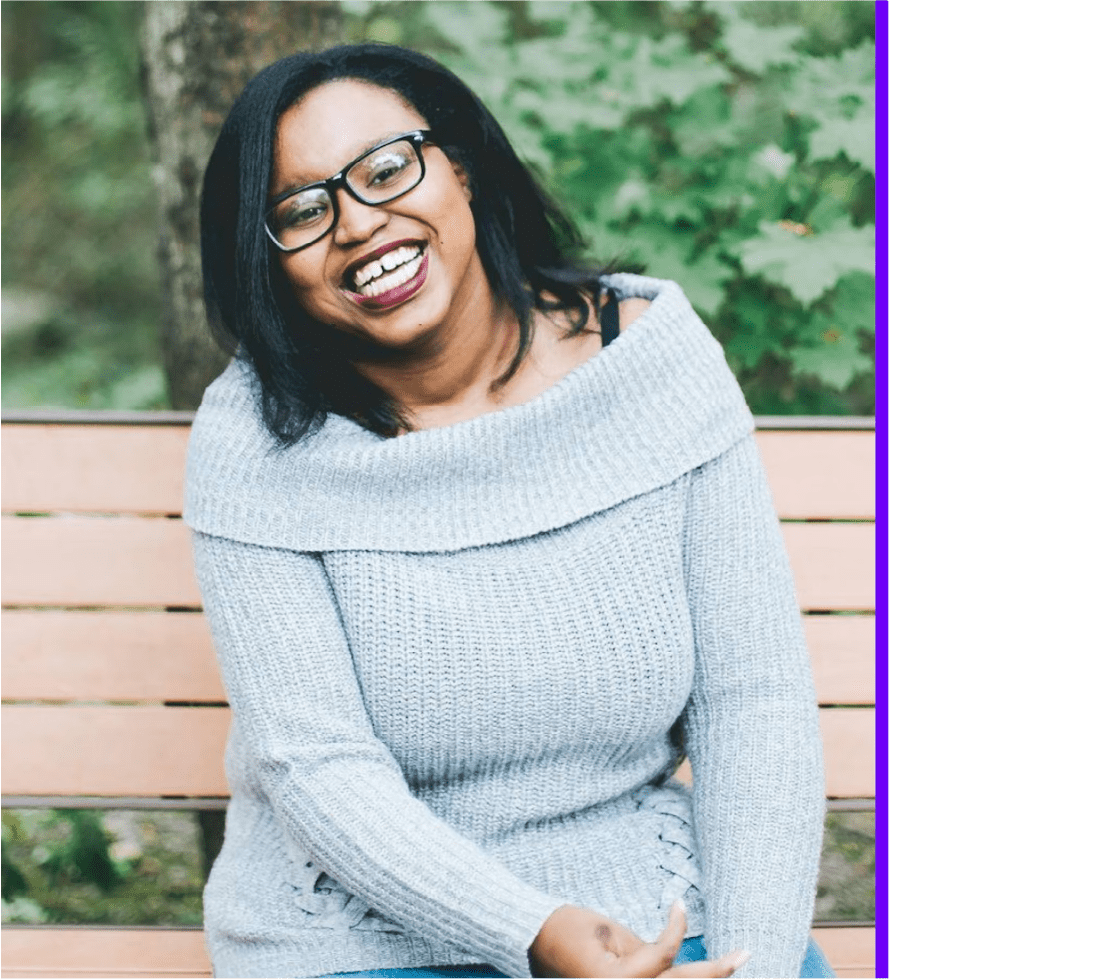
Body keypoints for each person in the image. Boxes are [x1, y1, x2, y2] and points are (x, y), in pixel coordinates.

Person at [184, 43, 830, 979]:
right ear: (269, 262)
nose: (360, 224)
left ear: (465, 166)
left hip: (650, 909)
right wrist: (533, 933)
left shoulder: (654, 366)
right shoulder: (252, 440)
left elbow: (751, 701)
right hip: (361, 937)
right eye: (303, 211)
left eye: (386, 168)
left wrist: (755, 964)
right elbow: (311, 766)